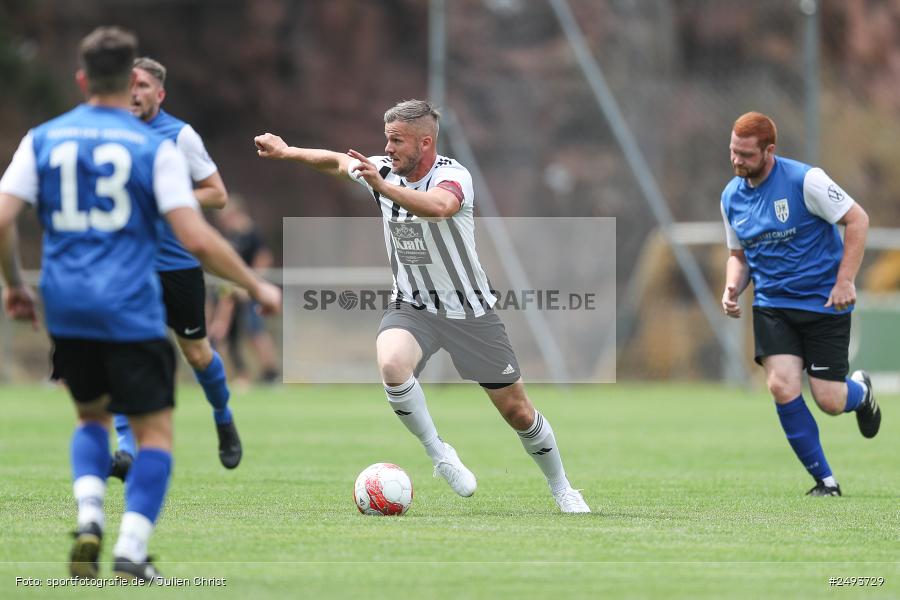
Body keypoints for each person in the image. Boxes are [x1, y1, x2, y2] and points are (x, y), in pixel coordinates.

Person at [0, 27, 281, 580]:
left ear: (82, 79)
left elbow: (4, 218)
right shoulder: (150, 148)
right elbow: (198, 237)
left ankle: (87, 519)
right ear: (127, 79)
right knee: (156, 434)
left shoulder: (43, 137)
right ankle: (130, 548)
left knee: (90, 418)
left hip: (68, 303)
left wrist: (14, 283)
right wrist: (255, 284)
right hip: (130, 299)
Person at [254, 99, 589, 513]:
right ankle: (440, 454)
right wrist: (288, 152)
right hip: (412, 306)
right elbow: (337, 162)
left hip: (470, 312)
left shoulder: (452, 176)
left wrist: (381, 186)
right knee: (392, 365)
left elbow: (440, 208)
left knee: (518, 412)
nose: (388, 148)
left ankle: (562, 489)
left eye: (397, 141)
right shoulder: (384, 170)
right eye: (386, 139)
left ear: (425, 142)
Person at [720, 111, 881, 496]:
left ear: (769, 150)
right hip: (773, 305)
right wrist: (731, 288)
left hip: (824, 303)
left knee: (828, 399)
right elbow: (738, 255)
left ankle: (860, 393)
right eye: (732, 152)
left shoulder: (806, 180)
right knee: (781, 386)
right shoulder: (731, 197)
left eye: (745, 154)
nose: (737, 161)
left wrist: (845, 281)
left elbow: (857, 220)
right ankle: (826, 481)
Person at [109, 56, 242, 474]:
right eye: (129, 85)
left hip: (177, 265)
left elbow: (217, 194)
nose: (134, 93)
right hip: (127, 265)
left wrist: (169, 197)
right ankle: (127, 446)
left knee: (198, 354)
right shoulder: (109, 132)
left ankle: (223, 417)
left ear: (159, 94)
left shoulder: (180, 136)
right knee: (120, 350)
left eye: (143, 86)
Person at [208, 200, 279, 385]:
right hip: (231, 291)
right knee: (227, 335)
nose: (223, 222)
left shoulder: (252, 233)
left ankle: (271, 375)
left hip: (250, 292)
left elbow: (264, 258)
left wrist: (253, 284)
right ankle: (242, 375)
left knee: (256, 332)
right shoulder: (230, 237)